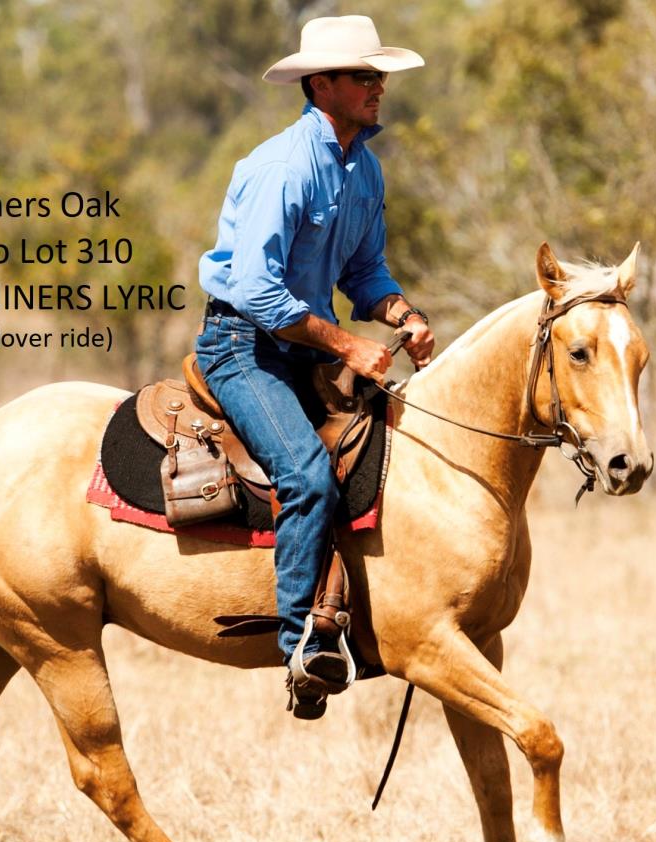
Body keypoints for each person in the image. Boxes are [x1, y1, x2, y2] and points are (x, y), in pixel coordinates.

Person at [195, 15, 435, 715]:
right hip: (242, 347)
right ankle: (303, 647)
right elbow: (257, 291)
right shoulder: (282, 166)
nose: (379, 86)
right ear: (321, 84)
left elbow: (365, 272)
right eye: (365, 75)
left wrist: (402, 314)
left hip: (302, 349)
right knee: (304, 474)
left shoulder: (365, 169)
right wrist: (349, 346)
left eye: (379, 75)